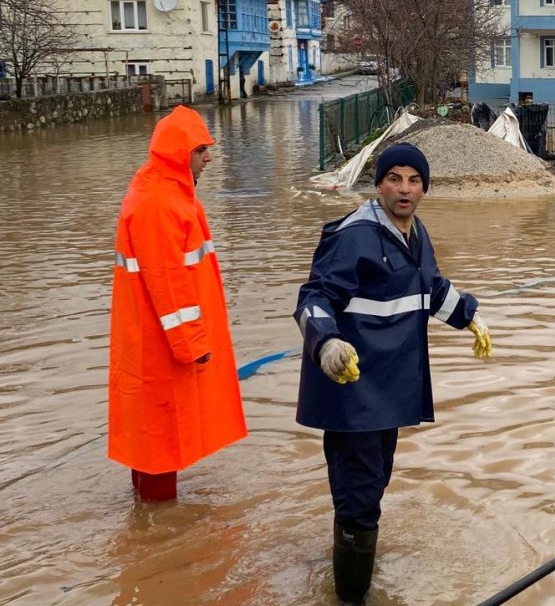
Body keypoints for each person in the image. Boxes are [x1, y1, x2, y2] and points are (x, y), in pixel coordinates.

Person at [294, 143, 492, 606]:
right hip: (352, 388)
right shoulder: (355, 235)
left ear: (424, 188)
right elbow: (313, 298)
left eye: (414, 180)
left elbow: (431, 288)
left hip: (389, 388)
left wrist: (469, 316)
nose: (404, 189)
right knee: (360, 493)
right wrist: (327, 343)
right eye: (395, 179)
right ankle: (351, 595)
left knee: (373, 481)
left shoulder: (415, 233)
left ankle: (351, 565)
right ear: (379, 184)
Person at [108, 105, 247, 502]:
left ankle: (147, 518)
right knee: (159, 438)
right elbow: (166, 281)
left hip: (154, 338)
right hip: (161, 346)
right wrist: (193, 344)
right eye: (201, 149)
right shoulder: (160, 202)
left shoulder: (162, 191)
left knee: (152, 438)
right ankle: (160, 524)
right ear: (179, 153)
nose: (209, 157)